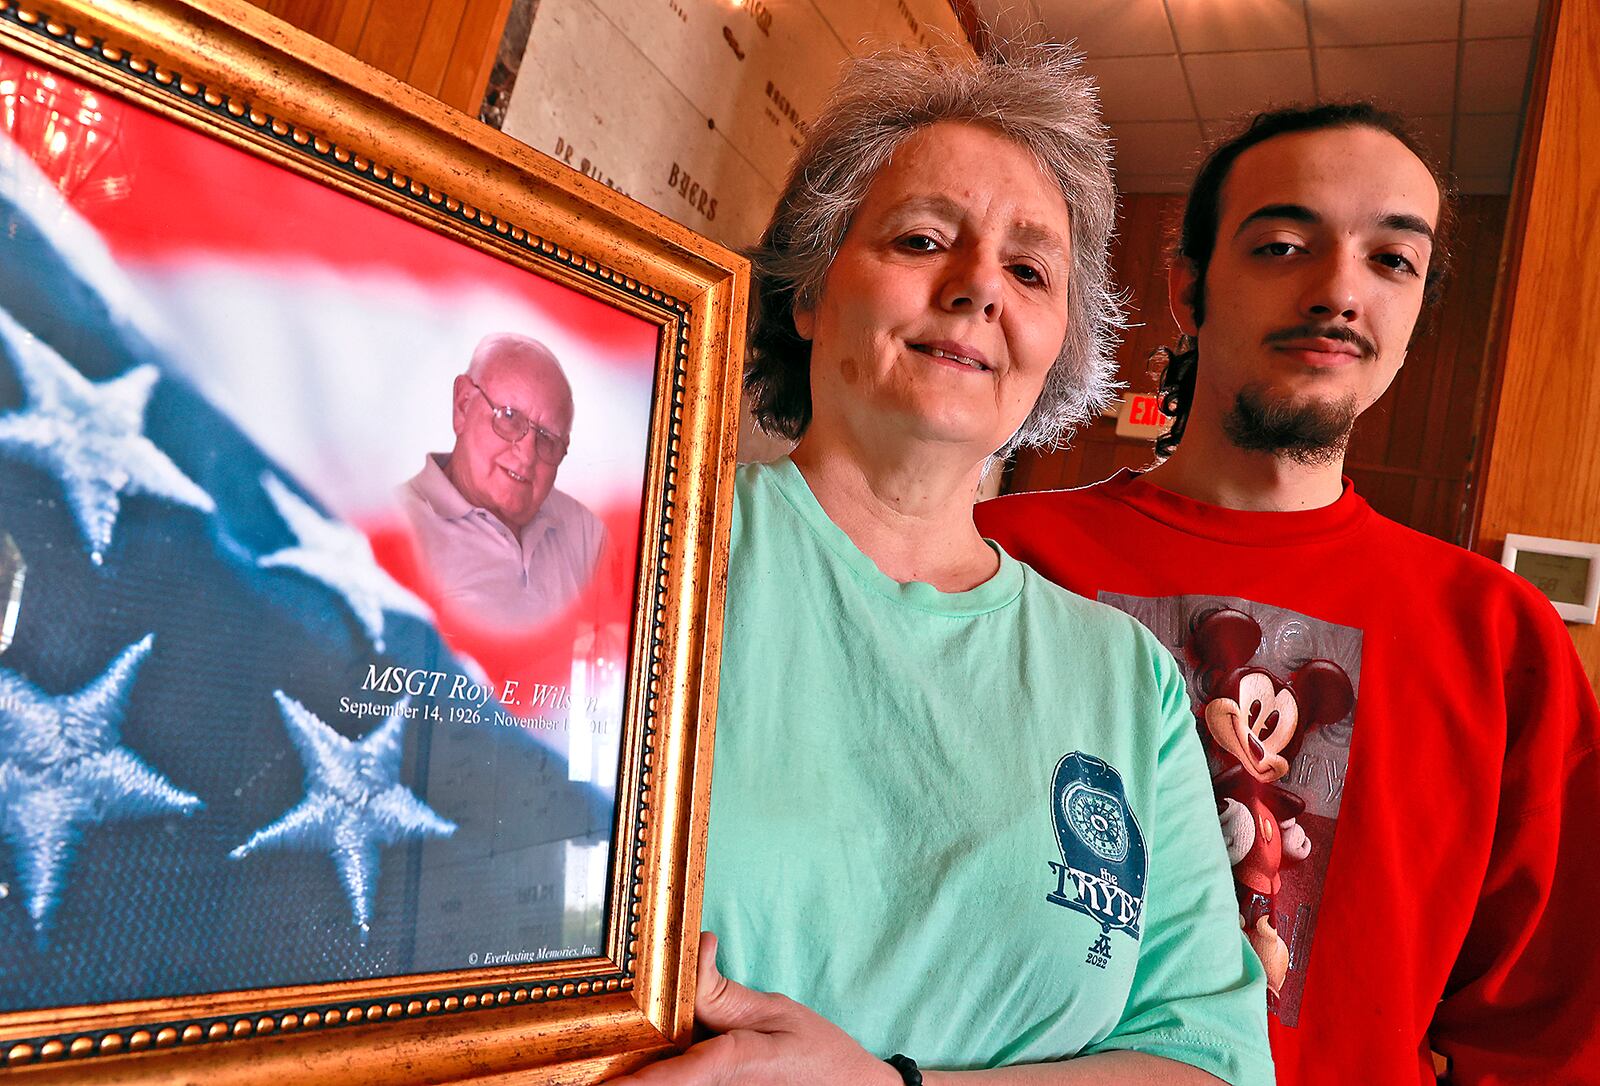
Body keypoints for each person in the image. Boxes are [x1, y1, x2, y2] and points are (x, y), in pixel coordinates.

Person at [612, 46, 1272, 1086]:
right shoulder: (644, 549)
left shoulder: (1125, 681)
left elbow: (1207, 1061)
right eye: (922, 239)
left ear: (1057, 342)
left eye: (1028, 269)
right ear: (810, 291)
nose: (976, 290)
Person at [977, 103, 1600, 1085]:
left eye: (1392, 261)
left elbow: (1547, 1034)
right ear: (1189, 287)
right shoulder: (999, 559)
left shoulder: (1497, 636)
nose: (1337, 291)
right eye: (1280, 244)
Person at [400, 333, 605, 628]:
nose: (527, 455)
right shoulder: (396, 529)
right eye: (509, 417)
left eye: (547, 438)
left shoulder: (587, 534)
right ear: (463, 405)